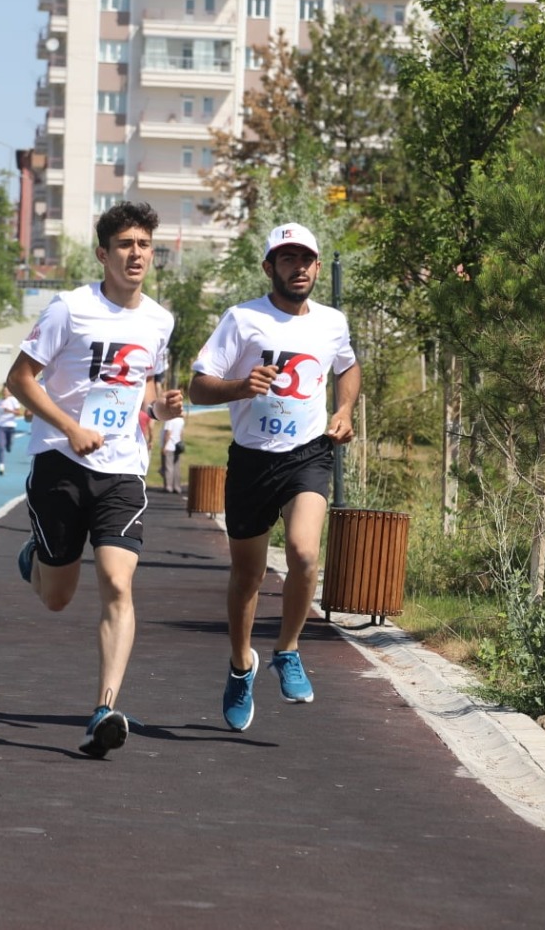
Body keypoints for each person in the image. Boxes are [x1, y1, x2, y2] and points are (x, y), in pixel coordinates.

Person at [5, 201, 185, 758]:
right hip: (61, 462)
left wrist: (161, 409)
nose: (137, 255)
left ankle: (106, 708)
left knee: (118, 582)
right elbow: (19, 380)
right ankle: (36, 558)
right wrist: (68, 425)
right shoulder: (70, 310)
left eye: (145, 246)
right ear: (103, 253)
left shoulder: (159, 319)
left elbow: (145, 391)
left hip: (122, 472)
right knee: (58, 597)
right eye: (126, 245)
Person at [189, 223, 360, 732]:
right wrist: (241, 386)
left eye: (306, 258)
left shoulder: (332, 322)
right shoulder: (242, 319)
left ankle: (288, 650)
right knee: (248, 576)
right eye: (287, 259)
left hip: (307, 454)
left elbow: (347, 367)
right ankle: (242, 665)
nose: (300, 267)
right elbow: (198, 388)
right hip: (251, 459)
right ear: (270, 268)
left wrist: (346, 409)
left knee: (306, 552)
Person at [0, 384, 21, 475]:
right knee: (1, 446)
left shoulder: (13, 400)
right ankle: (1, 466)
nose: (4, 393)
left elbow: (18, 413)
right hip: (1, 426)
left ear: (9, 392)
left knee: (8, 445)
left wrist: (10, 411)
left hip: (11, 426)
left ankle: (8, 446)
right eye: (3, 391)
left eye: (6, 391)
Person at [160, 408, 185, 493]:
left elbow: (168, 433)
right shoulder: (180, 420)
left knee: (168, 467)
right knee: (176, 467)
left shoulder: (169, 420)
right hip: (177, 446)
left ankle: (168, 486)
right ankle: (177, 486)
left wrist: (164, 446)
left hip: (169, 446)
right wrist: (180, 443)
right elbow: (181, 433)